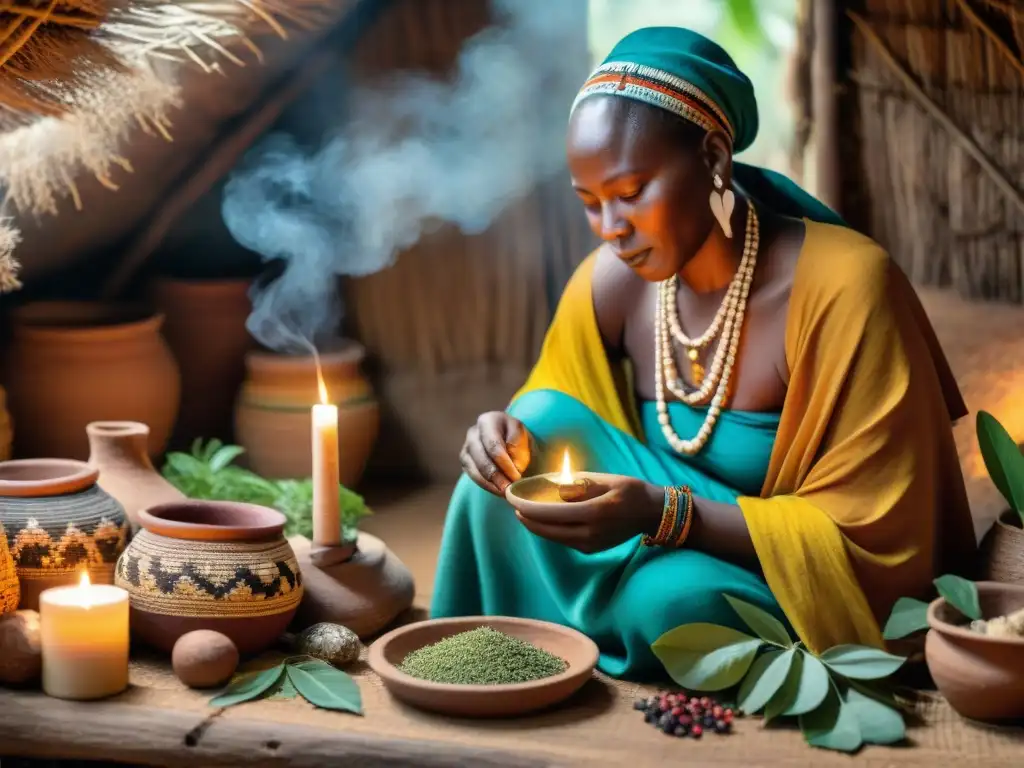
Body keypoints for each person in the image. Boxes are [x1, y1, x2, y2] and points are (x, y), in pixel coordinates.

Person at [430, 26, 977, 680]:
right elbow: (550, 415)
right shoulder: (612, 280)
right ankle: (481, 658)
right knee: (509, 465)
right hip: (652, 535)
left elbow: (883, 544)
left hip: (789, 577)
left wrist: (666, 514)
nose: (612, 229)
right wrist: (499, 437)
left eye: (631, 194)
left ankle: (605, 623)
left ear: (715, 158)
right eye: (591, 203)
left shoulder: (847, 287)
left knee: (671, 606)